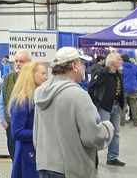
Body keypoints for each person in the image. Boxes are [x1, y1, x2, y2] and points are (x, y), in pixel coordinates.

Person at [34, 47, 114, 178]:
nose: (84, 67)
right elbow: (93, 137)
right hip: (71, 169)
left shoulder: (41, 93)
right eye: (82, 63)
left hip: (45, 165)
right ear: (73, 66)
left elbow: (36, 133)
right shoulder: (78, 95)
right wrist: (107, 128)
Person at [9, 61, 47, 178]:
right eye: (43, 73)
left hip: (37, 153)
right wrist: (41, 133)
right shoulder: (21, 101)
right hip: (27, 156)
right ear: (31, 75)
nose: (46, 77)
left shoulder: (37, 97)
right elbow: (17, 132)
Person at [88, 52, 125, 167]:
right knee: (101, 133)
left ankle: (112, 157)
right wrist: (96, 102)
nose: (121, 61)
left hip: (116, 106)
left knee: (115, 132)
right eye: (119, 59)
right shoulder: (102, 73)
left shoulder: (118, 74)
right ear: (112, 62)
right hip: (105, 107)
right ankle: (93, 157)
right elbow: (91, 87)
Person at [0, 50, 31, 160]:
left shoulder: (34, 79)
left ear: (29, 63)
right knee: (14, 158)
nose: (18, 64)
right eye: (16, 61)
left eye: (21, 61)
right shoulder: (7, 79)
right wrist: (3, 120)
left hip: (28, 128)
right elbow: (2, 101)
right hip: (11, 126)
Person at [120, 53, 137, 126]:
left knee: (122, 106)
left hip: (123, 89)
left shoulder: (120, 67)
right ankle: (136, 121)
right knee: (135, 106)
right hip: (134, 89)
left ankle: (122, 121)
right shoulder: (135, 66)